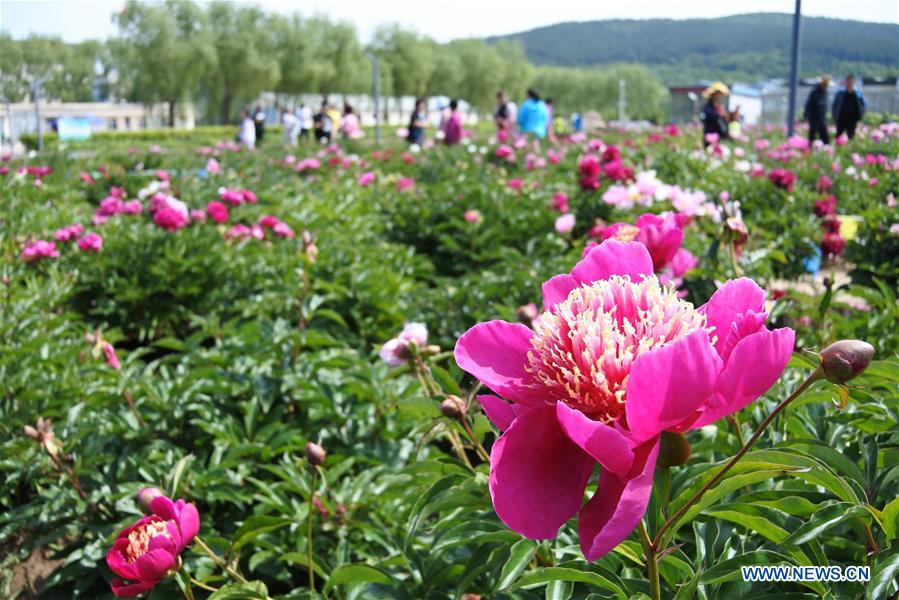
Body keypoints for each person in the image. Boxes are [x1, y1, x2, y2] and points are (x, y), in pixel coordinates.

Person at [832, 74, 866, 140]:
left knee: (851, 136)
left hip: (852, 120)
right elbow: (835, 106)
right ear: (845, 82)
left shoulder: (858, 94)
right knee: (838, 136)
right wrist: (835, 116)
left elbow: (863, 105)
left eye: (850, 81)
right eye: (848, 81)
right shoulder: (840, 93)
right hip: (841, 119)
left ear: (854, 82)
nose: (849, 83)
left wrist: (860, 116)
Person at [803, 75, 831, 144]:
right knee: (812, 137)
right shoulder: (814, 92)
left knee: (825, 139)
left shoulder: (825, 92)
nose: (826, 86)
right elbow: (808, 105)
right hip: (814, 119)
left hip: (822, 119)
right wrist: (806, 115)